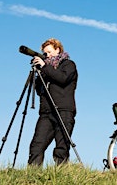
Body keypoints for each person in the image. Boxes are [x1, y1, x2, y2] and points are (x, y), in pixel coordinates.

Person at [28, 38, 78, 166]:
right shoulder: (45, 70)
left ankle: (61, 176)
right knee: (37, 145)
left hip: (64, 111)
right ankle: (32, 176)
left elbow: (63, 79)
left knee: (61, 147)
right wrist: (38, 72)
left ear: (58, 50)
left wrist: (45, 67)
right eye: (45, 53)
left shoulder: (68, 65)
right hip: (46, 112)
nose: (47, 55)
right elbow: (39, 90)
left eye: (49, 52)